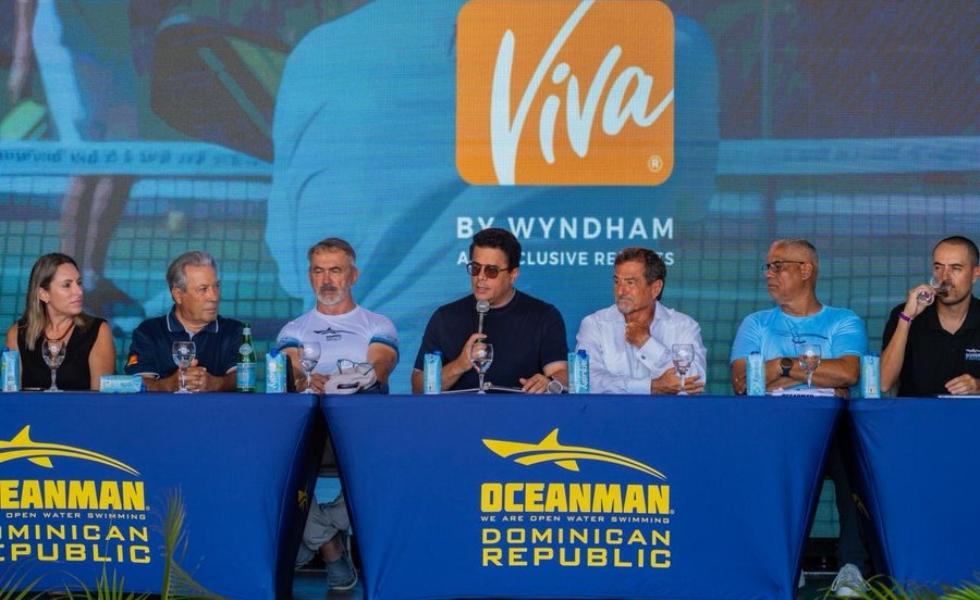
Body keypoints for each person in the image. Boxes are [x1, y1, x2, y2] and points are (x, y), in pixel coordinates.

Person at [729, 238, 870, 598]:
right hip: (774, 429)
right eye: (767, 266)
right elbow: (743, 381)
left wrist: (777, 370)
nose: (769, 274)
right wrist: (801, 368)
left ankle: (852, 567)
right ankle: (784, 564)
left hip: (831, 427)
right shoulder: (756, 323)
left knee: (855, 463)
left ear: (806, 270)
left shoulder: (843, 320)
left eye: (778, 266)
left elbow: (847, 373)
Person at [277, 237, 398, 591]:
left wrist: (352, 378)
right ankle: (331, 547)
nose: (327, 280)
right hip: (309, 434)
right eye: (319, 271)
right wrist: (304, 379)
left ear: (353, 275)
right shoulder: (294, 329)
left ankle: (315, 532)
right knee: (274, 463)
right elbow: (290, 370)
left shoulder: (377, 323)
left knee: (393, 465)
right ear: (310, 276)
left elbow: (381, 366)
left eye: (335, 270)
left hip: (362, 435)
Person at [411, 228, 568, 393]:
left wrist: (549, 382)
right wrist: (460, 365)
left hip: (520, 408)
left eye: (491, 270)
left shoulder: (544, 316)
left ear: (513, 274)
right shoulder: (445, 318)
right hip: (458, 410)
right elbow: (418, 387)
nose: (481, 277)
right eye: (475, 268)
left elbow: (561, 373)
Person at [576, 247, 706, 394]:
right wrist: (650, 387)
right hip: (610, 409)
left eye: (630, 283)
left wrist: (646, 343)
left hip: (667, 409)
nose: (620, 291)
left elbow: (694, 381)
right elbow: (585, 381)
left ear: (655, 288)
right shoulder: (595, 324)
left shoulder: (684, 326)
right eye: (617, 282)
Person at [124, 251, 241, 392]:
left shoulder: (234, 330)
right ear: (178, 295)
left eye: (216, 286)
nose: (214, 297)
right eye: (203, 289)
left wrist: (215, 384)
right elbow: (136, 383)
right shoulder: (149, 332)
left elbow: (243, 377)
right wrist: (169, 384)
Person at [881, 235, 980, 396]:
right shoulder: (904, 314)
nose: (944, 278)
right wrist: (907, 318)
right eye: (938, 267)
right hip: (916, 412)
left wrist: (978, 386)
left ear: (975, 273)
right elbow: (883, 383)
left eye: (955, 268)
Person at [5, 253, 115, 390]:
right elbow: (11, 396)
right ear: (43, 294)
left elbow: (101, 398)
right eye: (67, 285)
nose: (79, 291)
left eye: (79, 283)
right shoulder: (17, 333)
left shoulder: (98, 330)